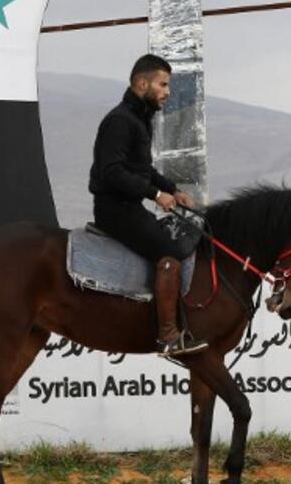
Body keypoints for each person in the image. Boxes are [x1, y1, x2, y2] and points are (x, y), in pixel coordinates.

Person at [89, 54, 207, 358]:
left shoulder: (139, 120)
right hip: (114, 210)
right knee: (169, 253)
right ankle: (168, 335)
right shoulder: (119, 121)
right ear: (142, 83)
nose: (167, 91)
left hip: (130, 207)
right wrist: (156, 196)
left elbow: (142, 169)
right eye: (163, 84)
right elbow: (111, 172)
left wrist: (173, 190)